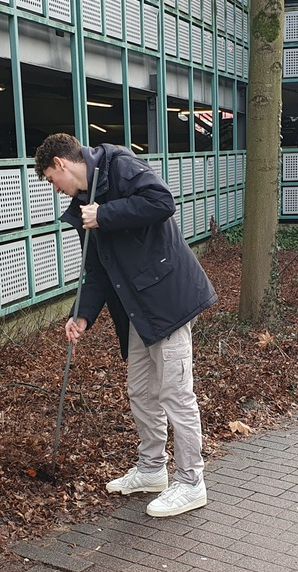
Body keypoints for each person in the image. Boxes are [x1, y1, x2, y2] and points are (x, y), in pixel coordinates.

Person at [35, 132, 217, 518]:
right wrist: (82, 314)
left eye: (52, 181)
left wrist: (105, 214)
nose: (56, 189)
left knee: (175, 394)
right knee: (140, 391)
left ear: (61, 164)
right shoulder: (83, 204)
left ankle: (191, 481)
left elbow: (161, 201)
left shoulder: (119, 164)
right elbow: (96, 268)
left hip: (168, 300)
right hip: (136, 309)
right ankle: (152, 470)